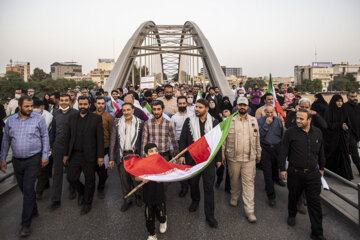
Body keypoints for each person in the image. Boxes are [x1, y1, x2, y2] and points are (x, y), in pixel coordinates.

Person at [1, 96, 50, 237]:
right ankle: (33, 208)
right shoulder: (10, 121)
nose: (30, 109)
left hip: (33, 159)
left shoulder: (38, 119)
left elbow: (45, 137)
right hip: (17, 161)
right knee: (24, 189)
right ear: (20, 106)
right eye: (27, 106)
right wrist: (2, 158)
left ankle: (25, 224)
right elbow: (6, 141)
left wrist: (44, 155)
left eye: (31, 106)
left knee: (28, 189)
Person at [279, 109, 326, 240]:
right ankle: (292, 214)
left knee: (315, 203)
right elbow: (283, 151)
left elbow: (321, 151)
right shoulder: (290, 133)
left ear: (309, 120)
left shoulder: (317, 133)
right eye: (297, 118)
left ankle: (317, 232)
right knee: (293, 197)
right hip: (295, 173)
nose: (298, 121)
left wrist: (322, 167)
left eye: (301, 119)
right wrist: (282, 168)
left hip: (313, 174)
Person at [179, 98, 222, 228]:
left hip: (208, 159)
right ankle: (195, 200)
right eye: (196, 107)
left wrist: (219, 158)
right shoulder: (189, 121)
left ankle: (210, 216)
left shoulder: (214, 122)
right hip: (193, 159)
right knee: (193, 183)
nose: (197, 109)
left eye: (200, 107)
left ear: (207, 109)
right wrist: (181, 155)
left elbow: (218, 142)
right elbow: (183, 139)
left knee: (209, 188)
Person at [222, 96, 261, 223]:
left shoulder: (254, 121)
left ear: (248, 107)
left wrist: (258, 153)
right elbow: (224, 140)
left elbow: (257, 138)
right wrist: (222, 154)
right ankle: (234, 196)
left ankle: (250, 211)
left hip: (249, 158)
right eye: (240, 105)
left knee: (249, 183)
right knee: (234, 180)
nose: (242, 107)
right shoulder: (230, 121)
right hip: (233, 158)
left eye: (244, 105)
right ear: (237, 106)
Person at [63, 96, 104, 215]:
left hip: (90, 155)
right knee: (71, 178)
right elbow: (67, 137)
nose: (82, 107)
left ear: (89, 105)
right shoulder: (72, 118)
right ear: (78, 105)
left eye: (85, 104)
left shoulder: (96, 118)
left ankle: (87, 203)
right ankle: (82, 192)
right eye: (80, 104)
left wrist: (100, 156)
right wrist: (65, 154)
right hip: (74, 154)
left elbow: (99, 139)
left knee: (90, 179)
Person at [110, 102, 144, 211]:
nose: (126, 112)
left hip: (135, 156)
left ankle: (138, 196)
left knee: (136, 179)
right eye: (124, 110)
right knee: (124, 180)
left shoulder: (140, 123)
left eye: (128, 110)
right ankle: (127, 200)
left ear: (133, 110)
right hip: (122, 155)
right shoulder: (117, 123)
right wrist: (111, 158)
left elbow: (143, 141)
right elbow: (113, 141)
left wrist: (143, 156)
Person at [48, 94, 79, 210]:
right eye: (62, 100)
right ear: (59, 101)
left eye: (66, 100)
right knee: (57, 173)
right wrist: (51, 145)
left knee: (71, 172)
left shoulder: (75, 113)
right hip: (58, 147)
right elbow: (53, 130)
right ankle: (55, 200)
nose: (64, 102)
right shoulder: (55, 113)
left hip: (71, 148)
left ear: (70, 102)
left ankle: (72, 190)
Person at [136, 143, 167, 240]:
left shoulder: (161, 162)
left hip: (159, 194)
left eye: (156, 150)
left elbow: (167, 174)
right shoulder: (142, 164)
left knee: (160, 212)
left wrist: (161, 178)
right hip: (148, 195)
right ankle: (152, 234)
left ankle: (163, 220)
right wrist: (142, 179)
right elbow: (136, 177)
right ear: (145, 154)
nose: (154, 153)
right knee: (149, 215)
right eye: (151, 151)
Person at [257, 105, 284, 206]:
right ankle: (271, 196)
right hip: (265, 148)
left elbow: (282, 134)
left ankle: (274, 181)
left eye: (271, 112)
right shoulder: (260, 121)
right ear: (264, 112)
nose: (269, 114)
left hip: (277, 148)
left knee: (275, 169)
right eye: (267, 112)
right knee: (267, 172)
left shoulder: (278, 120)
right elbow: (259, 135)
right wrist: (266, 125)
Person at [324, 95, 353, 180]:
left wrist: (346, 127)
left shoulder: (344, 111)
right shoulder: (329, 111)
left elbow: (348, 123)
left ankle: (346, 175)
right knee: (332, 156)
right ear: (334, 102)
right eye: (338, 101)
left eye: (341, 101)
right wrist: (340, 125)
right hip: (332, 138)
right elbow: (328, 125)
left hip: (342, 138)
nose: (340, 103)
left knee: (344, 155)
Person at [170, 96, 194, 197]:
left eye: (184, 103)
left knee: (190, 164)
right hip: (179, 143)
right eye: (180, 103)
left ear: (186, 104)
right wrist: (172, 147)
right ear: (177, 104)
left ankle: (191, 183)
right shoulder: (174, 117)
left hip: (191, 143)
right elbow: (171, 133)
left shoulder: (193, 115)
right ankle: (184, 187)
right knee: (181, 166)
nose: (182, 105)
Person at [33, 100, 53, 200]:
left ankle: (39, 191)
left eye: (37, 106)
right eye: (34, 106)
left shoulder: (48, 116)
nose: (35, 108)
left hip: (46, 146)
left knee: (43, 170)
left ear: (42, 106)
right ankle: (45, 184)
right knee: (40, 171)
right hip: (33, 148)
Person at [94, 97, 114, 198]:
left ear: (105, 105)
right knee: (96, 168)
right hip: (93, 147)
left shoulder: (109, 117)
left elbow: (112, 133)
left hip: (105, 147)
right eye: (99, 103)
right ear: (95, 104)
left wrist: (111, 150)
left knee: (102, 170)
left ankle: (101, 188)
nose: (100, 105)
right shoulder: (91, 115)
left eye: (102, 103)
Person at [343, 91, 360, 175]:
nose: (355, 98)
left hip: (358, 133)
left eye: (356, 96)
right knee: (355, 155)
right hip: (350, 134)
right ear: (348, 97)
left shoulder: (359, 106)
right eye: (352, 96)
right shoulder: (344, 107)